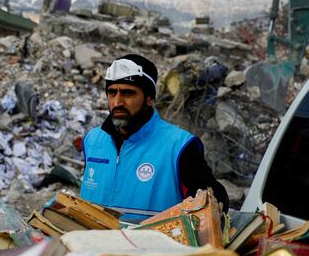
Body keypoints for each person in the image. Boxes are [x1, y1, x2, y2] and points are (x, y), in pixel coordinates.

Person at [79, 54, 228, 221]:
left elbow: (214, 204)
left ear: (149, 98)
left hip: (151, 246)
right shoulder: (92, 140)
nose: (117, 102)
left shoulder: (179, 146)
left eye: (128, 93)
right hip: (94, 245)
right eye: (112, 92)